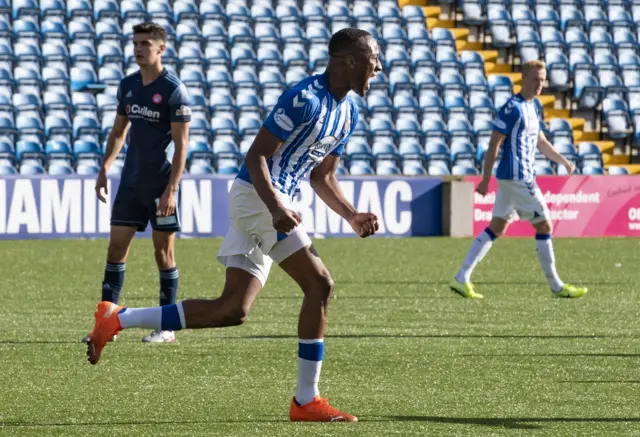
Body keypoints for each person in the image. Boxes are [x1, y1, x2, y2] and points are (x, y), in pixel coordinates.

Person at [85, 28, 383, 422]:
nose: (377, 67)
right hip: (259, 198)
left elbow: (322, 176)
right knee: (319, 285)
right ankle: (305, 400)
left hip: (275, 203)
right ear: (348, 61)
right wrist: (276, 206)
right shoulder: (304, 98)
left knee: (232, 309)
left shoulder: (348, 112)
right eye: (372, 59)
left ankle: (116, 318)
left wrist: (351, 214)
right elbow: (256, 156)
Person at [82, 22, 192, 344]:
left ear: (161, 49)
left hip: (160, 185)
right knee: (115, 250)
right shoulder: (128, 85)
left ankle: (167, 327)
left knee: (163, 255)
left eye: (145, 43)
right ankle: (105, 325)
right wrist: (104, 168)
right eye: (135, 43)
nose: (139, 48)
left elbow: (182, 146)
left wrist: (171, 189)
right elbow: (119, 131)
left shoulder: (174, 90)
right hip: (130, 184)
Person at [449, 60, 588, 300]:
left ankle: (461, 277)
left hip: (514, 179)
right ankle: (556, 285)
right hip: (518, 177)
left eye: (542, 80)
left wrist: (562, 160)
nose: (539, 84)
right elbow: (494, 143)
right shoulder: (512, 108)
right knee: (544, 226)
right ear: (523, 79)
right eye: (535, 79)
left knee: (497, 227)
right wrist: (484, 179)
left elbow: (541, 141)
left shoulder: (533, 107)